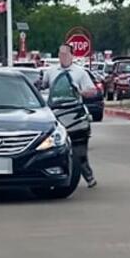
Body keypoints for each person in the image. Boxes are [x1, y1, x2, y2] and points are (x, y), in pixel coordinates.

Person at [44, 45, 98, 187]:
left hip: (74, 112)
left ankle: (88, 175)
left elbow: (93, 91)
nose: (63, 57)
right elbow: (42, 87)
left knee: (79, 149)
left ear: (72, 56)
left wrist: (81, 92)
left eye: (66, 54)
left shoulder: (80, 73)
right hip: (55, 112)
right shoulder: (51, 72)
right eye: (60, 54)